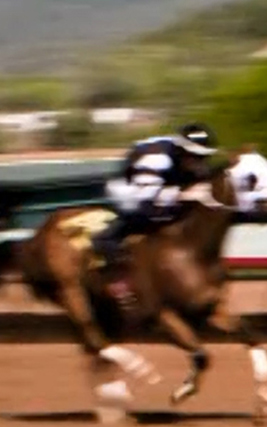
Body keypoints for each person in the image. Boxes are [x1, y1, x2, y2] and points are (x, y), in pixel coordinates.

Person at [92, 124, 220, 299]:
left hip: (164, 180)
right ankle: (114, 264)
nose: (200, 162)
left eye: (204, 157)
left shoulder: (193, 164)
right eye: (196, 156)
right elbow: (146, 199)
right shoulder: (155, 159)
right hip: (130, 187)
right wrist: (181, 194)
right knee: (142, 214)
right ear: (181, 151)